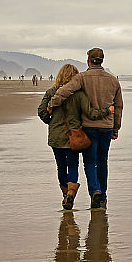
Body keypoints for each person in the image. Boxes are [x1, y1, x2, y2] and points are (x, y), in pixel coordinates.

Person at [48, 48, 123, 210]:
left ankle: (94, 191)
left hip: (89, 126)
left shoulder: (81, 77)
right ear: (102, 61)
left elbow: (64, 91)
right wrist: (116, 127)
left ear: (88, 60)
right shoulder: (113, 80)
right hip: (107, 127)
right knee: (103, 161)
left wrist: (51, 104)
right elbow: (119, 106)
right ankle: (101, 196)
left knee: (90, 162)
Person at [38, 64, 112, 209]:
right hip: (74, 136)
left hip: (56, 136)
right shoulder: (79, 95)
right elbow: (90, 113)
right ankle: (72, 193)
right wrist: (107, 111)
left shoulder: (51, 92)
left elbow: (42, 112)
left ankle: (66, 195)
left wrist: (50, 120)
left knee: (60, 166)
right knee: (73, 165)